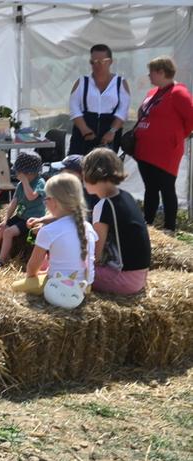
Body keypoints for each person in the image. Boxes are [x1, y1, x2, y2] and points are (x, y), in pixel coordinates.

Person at [133, 56, 193, 232]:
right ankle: (148, 225)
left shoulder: (178, 92)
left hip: (165, 151)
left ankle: (169, 227)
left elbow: (190, 118)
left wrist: (178, 135)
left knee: (167, 188)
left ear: (161, 72)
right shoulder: (153, 93)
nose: (148, 75)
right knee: (150, 189)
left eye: (151, 71)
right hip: (145, 150)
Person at [12, 173, 97, 294]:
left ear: (55, 202)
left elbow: (32, 268)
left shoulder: (48, 230)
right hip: (84, 288)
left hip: (58, 287)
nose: (44, 202)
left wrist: (33, 277)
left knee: (15, 286)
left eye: (46, 199)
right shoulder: (88, 227)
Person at [83, 148, 151, 294]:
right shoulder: (126, 196)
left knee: (67, 270)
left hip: (123, 279)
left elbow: (95, 256)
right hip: (141, 276)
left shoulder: (104, 206)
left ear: (92, 173)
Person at [0, 151, 46, 268]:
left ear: (29, 172)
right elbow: (13, 204)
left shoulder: (40, 182)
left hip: (32, 220)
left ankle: (1, 261)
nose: (17, 174)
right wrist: (5, 220)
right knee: (0, 230)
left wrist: (24, 181)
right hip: (20, 216)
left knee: (8, 233)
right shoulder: (20, 184)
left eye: (19, 171)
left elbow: (31, 196)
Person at [68, 44, 130, 155]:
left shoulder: (120, 83)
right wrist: (84, 130)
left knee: (106, 168)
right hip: (84, 131)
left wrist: (112, 131)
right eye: (93, 62)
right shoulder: (82, 81)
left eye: (101, 62)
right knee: (77, 167)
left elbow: (123, 110)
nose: (97, 65)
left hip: (109, 132)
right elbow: (74, 107)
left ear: (110, 62)